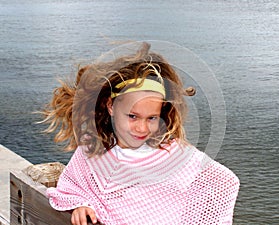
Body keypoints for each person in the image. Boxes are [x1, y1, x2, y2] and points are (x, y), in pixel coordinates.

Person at [41, 42, 239, 225]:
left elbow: (225, 182)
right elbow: (72, 187)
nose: (142, 128)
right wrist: (81, 204)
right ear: (110, 106)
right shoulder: (92, 149)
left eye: (151, 118)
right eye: (133, 116)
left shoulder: (171, 153)